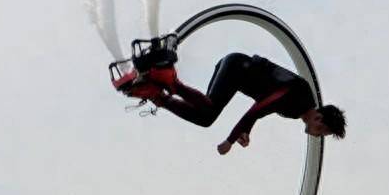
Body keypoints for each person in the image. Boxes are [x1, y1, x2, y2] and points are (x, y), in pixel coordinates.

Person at [117, 48, 347, 154]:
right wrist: (230, 139)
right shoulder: (300, 97)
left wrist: (246, 131)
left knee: (205, 115)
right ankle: (169, 83)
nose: (318, 135)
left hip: (235, 73)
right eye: (322, 131)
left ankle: (159, 95)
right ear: (319, 118)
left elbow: (263, 108)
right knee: (208, 108)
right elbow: (258, 108)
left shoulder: (296, 111)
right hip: (238, 67)